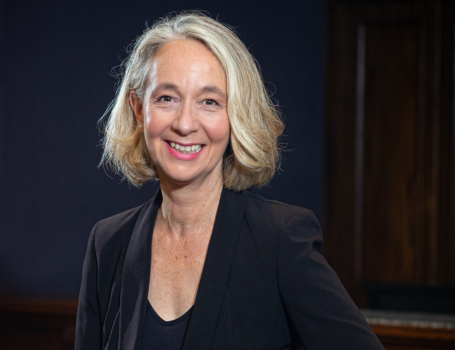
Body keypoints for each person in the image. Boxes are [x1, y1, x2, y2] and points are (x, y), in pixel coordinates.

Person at [75, 11, 385, 350]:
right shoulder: (108, 244)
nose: (185, 123)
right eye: (167, 98)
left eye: (210, 102)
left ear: (236, 115)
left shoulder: (279, 239)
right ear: (138, 109)